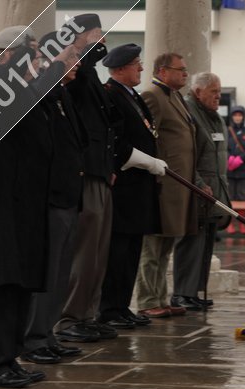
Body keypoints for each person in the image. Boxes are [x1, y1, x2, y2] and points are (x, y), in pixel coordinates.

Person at [0, 26, 74, 388]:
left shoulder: (21, 85)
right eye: (32, 53)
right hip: (0, 207)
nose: (38, 61)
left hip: (22, 205)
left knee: (18, 286)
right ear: (9, 54)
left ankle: (9, 358)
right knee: (0, 287)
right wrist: (56, 67)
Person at [21, 32, 88, 366]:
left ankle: (47, 334)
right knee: (47, 273)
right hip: (51, 197)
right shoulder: (40, 92)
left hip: (68, 194)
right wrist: (55, 65)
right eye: (70, 58)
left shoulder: (62, 94)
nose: (76, 64)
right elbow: (36, 95)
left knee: (61, 272)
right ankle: (33, 338)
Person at [55, 14, 119, 342]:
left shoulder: (90, 73)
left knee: (98, 251)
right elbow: (82, 62)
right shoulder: (76, 68)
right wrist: (84, 43)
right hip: (86, 170)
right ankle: (69, 317)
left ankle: (88, 314)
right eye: (97, 33)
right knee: (84, 251)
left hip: (100, 169)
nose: (103, 38)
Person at [97, 44, 167, 328]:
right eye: (136, 63)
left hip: (138, 188)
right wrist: (147, 162)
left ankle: (122, 305)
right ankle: (110, 309)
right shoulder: (111, 95)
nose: (141, 68)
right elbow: (115, 140)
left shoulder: (131, 94)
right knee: (118, 251)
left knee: (132, 251)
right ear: (121, 68)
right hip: (124, 186)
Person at [136, 53, 197, 318]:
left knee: (166, 247)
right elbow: (147, 138)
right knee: (152, 247)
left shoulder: (175, 97)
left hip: (179, 186)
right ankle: (148, 300)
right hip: (162, 184)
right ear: (163, 71)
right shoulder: (153, 96)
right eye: (180, 69)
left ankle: (161, 296)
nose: (185, 73)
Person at [172, 72, 231, 310]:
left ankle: (195, 291)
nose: (219, 96)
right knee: (190, 242)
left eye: (220, 91)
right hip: (196, 190)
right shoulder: (190, 113)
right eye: (214, 92)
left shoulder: (214, 117)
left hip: (215, 191)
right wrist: (197, 183)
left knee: (206, 243)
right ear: (198, 92)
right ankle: (182, 293)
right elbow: (186, 155)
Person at [226, 105, 245, 234]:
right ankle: (231, 223)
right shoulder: (227, 131)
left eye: (240, 115)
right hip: (230, 171)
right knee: (231, 198)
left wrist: (240, 159)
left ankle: (243, 223)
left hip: (244, 171)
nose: (237, 117)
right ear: (232, 117)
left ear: (243, 116)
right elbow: (222, 147)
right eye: (235, 115)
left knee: (242, 197)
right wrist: (229, 158)